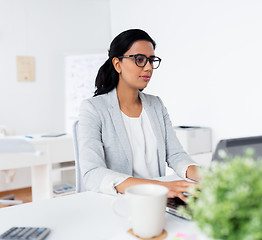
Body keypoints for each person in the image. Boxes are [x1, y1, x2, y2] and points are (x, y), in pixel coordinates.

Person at [78, 29, 200, 202]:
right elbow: (92, 173)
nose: (149, 67)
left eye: (151, 60)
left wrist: (207, 176)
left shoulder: (156, 104)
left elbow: (175, 155)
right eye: (140, 60)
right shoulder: (93, 109)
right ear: (117, 64)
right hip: (117, 203)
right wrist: (160, 187)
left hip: (157, 201)